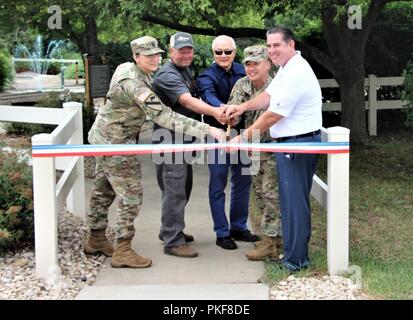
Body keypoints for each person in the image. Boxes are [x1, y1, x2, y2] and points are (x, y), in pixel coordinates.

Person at [84, 36, 225, 268]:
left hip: (105, 138)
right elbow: (165, 116)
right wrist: (209, 129)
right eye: (149, 55)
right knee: (131, 196)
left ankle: (96, 238)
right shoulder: (135, 84)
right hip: (116, 143)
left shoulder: (131, 69)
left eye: (156, 54)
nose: (155, 59)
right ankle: (123, 249)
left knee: (103, 189)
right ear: (136, 56)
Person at [226, 27, 322, 272]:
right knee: (289, 204)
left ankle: (296, 261)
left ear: (291, 44)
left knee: (294, 205)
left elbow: (273, 115)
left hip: (298, 144)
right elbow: (268, 96)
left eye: (276, 45)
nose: (272, 51)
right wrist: (243, 107)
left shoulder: (297, 72)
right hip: (289, 144)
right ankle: (291, 256)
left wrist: (243, 138)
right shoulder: (286, 69)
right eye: (269, 46)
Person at [152, 32, 227, 258]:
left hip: (182, 141)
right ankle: (173, 241)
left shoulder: (182, 70)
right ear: (171, 51)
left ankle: (171, 230)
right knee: (175, 190)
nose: (185, 54)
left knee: (181, 188)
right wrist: (216, 112)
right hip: (170, 141)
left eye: (189, 50)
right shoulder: (167, 74)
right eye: (181, 50)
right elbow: (187, 101)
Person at [197, 35, 259, 250]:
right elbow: (207, 95)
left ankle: (239, 228)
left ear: (235, 52)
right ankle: (222, 232)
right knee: (218, 184)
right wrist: (223, 110)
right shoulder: (206, 75)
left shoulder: (245, 70)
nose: (223, 55)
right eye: (218, 52)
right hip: (219, 134)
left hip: (245, 134)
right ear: (213, 53)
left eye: (228, 51)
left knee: (243, 182)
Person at [227, 45, 282, 261]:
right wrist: (232, 116)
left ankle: (271, 241)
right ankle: (273, 238)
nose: (251, 68)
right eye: (248, 64)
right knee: (260, 193)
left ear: (267, 64)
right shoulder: (242, 85)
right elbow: (235, 108)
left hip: (274, 148)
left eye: (256, 63)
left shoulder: (278, 85)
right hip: (254, 150)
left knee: (272, 195)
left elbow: (272, 116)